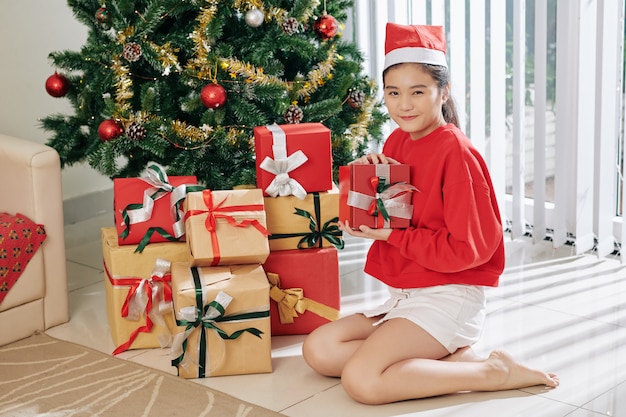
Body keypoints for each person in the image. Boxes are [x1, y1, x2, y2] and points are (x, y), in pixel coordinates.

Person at [301, 22, 559, 405]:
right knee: (319, 350)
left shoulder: (456, 153)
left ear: (443, 92)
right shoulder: (397, 139)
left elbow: (469, 249)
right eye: (393, 93)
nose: (404, 105)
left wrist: (391, 236)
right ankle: (451, 359)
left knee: (362, 382)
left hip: (448, 297)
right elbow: (396, 216)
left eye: (417, 92)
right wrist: (364, 190)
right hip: (407, 292)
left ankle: (493, 371)